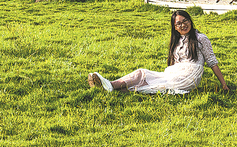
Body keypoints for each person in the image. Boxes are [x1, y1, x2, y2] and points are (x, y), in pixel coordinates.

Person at [88, 9, 229, 94]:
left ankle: (110, 85)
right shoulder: (177, 40)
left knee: (145, 77)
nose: (183, 25)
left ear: (190, 21)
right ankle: (112, 88)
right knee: (146, 78)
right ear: (175, 28)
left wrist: (223, 84)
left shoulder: (200, 38)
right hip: (176, 73)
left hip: (189, 76)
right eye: (178, 24)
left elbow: (212, 62)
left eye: (185, 21)